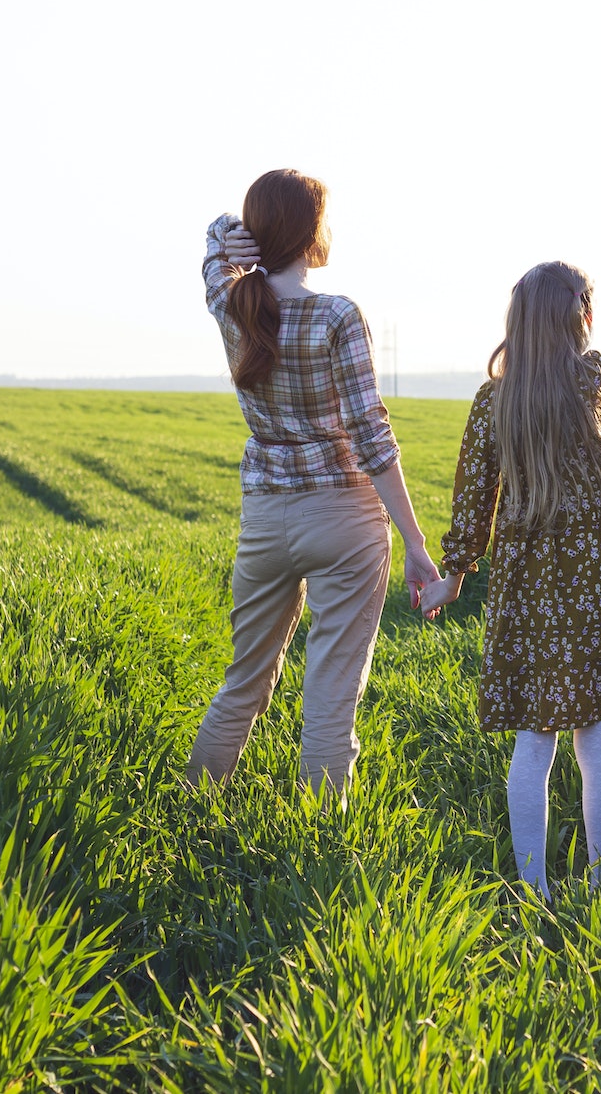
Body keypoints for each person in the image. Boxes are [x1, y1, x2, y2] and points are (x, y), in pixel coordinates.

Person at [420, 263, 601, 896]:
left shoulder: (495, 400)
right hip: (599, 587)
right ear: (583, 319)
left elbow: (472, 501)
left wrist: (454, 576)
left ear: (516, 324)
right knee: (598, 741)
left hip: (526, 594)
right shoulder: (594, 378)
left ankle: (532, 889)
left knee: (533, 740)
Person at [187, 169, 439, 798]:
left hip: (267, 518)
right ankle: (321, 840)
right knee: (331, 695)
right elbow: (371, 435)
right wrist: (413, 542)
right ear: (312, 231)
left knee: (244, 680)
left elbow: (214, 250)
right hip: (344, 517)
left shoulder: (232, 303)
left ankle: (190, 809)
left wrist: (228, 238)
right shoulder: (337, 315)